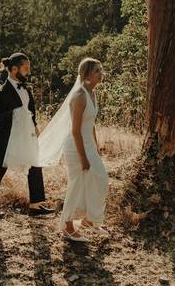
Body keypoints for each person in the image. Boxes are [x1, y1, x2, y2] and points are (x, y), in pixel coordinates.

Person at [37, 57, 109, 242]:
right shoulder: (79, 96)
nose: (101, 74)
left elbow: (90, 124)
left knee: (100, 178)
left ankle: (88, 219)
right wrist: (83, 157)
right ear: (86, 74)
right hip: (76, 147)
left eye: (101, 70)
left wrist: (95, 145)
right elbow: (75, 131)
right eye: (97, 71)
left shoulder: (92, 93)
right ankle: (67, 227)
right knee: (76, 185)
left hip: (88, 145)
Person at [0, 52, 56, 218]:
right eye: (26, 68)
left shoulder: (27, 88)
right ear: (14, 69)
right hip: (7, 139)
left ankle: (36, 205)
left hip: (26, 135)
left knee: (35, 164)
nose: (28, 72)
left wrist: (35, 125)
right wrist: (16, 113)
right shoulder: (2, 92)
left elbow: (31, 110)